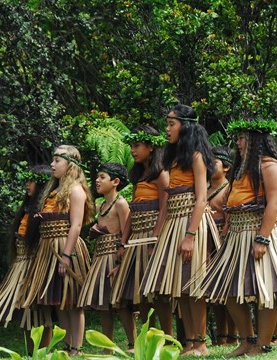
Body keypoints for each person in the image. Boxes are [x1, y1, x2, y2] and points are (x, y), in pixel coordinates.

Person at [199, 119, 277, 357]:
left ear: (257, 141)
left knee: (267, 292)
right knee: (230, 290)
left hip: (261, 233)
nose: (238, 142)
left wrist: (262, 238)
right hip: (237, 234)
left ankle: (263, 344)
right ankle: (248, 340)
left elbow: (275, 202)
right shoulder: (241, 169)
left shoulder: (270, 167)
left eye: (243, 138)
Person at [141, 104, 220, 356]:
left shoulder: (196, 156)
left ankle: (202, 343)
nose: (167, 129)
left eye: (171, 124)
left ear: (185, 126)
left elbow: (201, 198)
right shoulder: (174, 159)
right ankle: (189, 342)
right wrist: (159, 233)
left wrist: (190, 235)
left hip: (190, 222)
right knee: (181, 287)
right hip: (174, 223)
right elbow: (167, 202)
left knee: (194, 286)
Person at [22, 145, 93, 356]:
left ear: (70, 165)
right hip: (48, 248)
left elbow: (76, 225)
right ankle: (66, 345)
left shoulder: (75, 190)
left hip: (64, 247)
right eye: (52, 161)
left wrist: (66, 256)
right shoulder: (52, 191)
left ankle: (77, 348)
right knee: (59, 300)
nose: (52, 165)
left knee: (73, 301)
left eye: (57, 161)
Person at [0, 165, 53, 353]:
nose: (27, 184)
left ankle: (45, 352)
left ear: (42, 185)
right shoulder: (26, 208)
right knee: (25, 313)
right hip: (20, 265)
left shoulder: (45, 208)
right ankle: (31, 353)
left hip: (35, 265)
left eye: (31, 180)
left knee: (41, 312)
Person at [110, 125, 169, 349]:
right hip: (136, 238)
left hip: (153, 236)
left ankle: (167, 338)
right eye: (131, 146)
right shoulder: (138, 175)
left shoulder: (161, 173)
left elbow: (164, 208)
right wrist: (123, 242)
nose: (133, 151)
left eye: (137, 146)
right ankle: (147, 340)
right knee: (140, 292)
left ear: (151, 147)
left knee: (158, 292)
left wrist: (155, 238)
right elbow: (133, 213)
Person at [77, 163, 130, 344]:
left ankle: (132, 343)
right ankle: (108, 347)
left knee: (120, 304)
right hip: (100, 257)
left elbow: (126, 232)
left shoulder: (121, 203)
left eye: (102, 177)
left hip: (114, 256)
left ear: (115, 181)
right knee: (103, 305)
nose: (97, 181)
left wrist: (120, 262)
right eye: (97, 177)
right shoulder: (100, 205)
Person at [208, 146, 238, 346]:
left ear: (226, 167)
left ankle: (233, 334)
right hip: (207, 239)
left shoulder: (229, 188)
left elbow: (230, 212)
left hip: (223, 238)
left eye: (214, 162)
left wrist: (225, 230)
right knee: (214, 291)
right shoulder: (204, 187)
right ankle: (221, 335)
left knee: (228, 287)